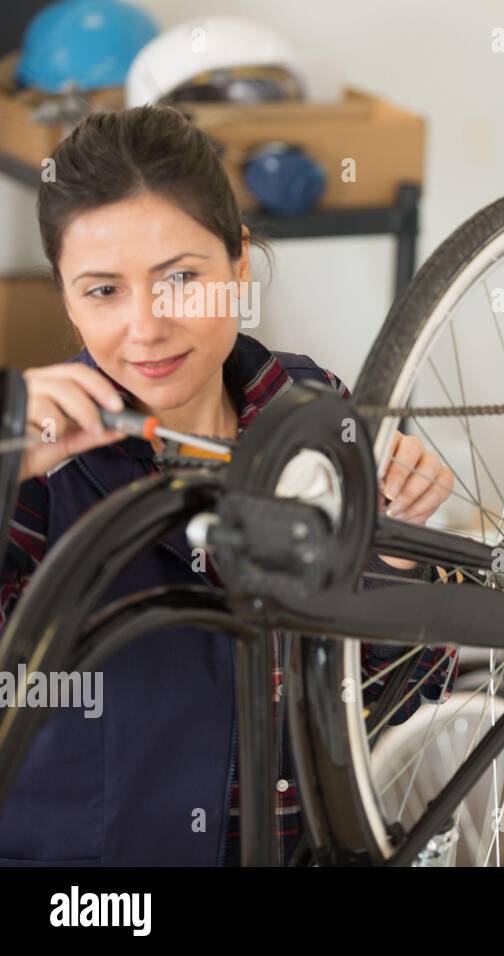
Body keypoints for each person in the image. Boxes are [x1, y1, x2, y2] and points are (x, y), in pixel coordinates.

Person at [0, 105, 458, 865]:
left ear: (239, 266)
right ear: (66, 296)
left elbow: (386, 695)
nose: (146, 327)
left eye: (181, 278)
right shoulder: (31, 458)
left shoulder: (314, 412)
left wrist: (397, 552)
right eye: (103, 291)